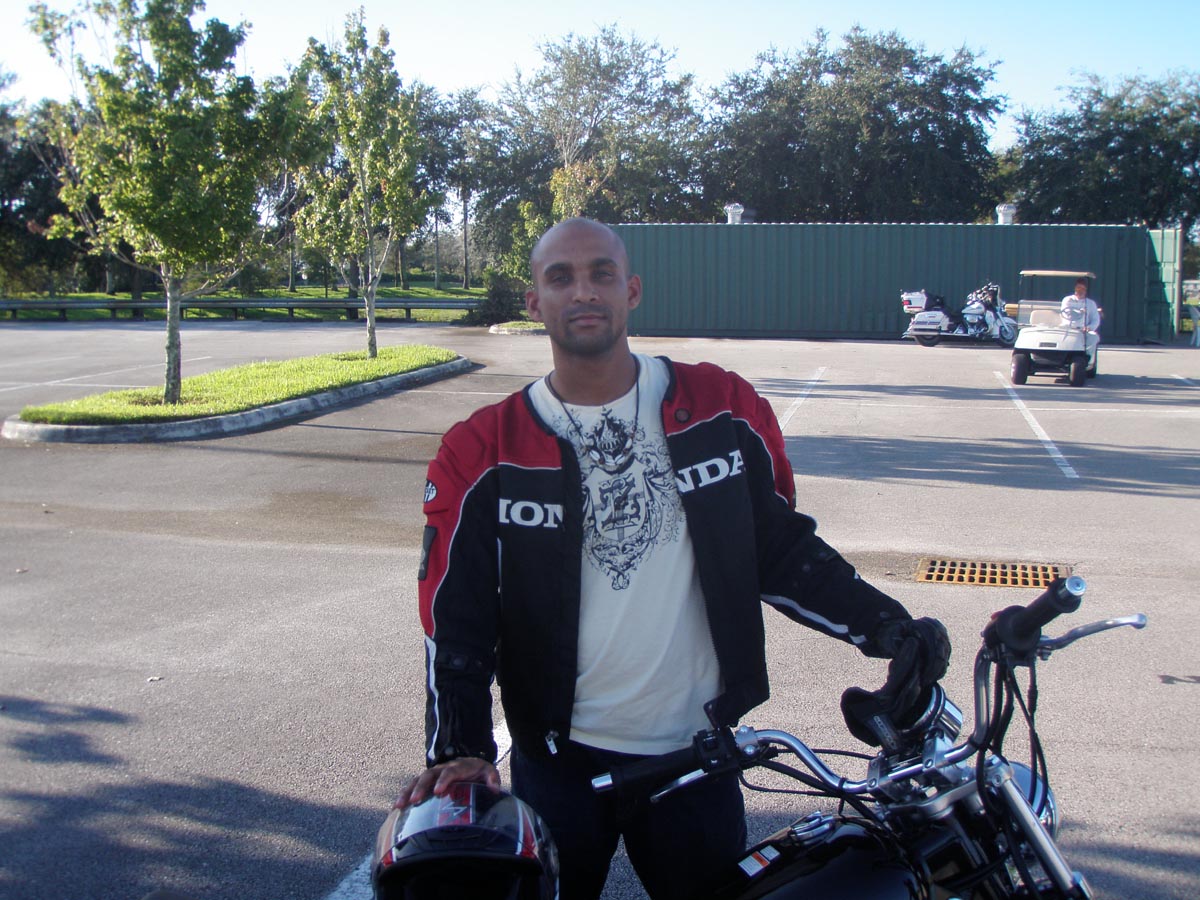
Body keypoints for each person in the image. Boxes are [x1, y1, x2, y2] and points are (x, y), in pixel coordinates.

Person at [396, 218, 950, 900]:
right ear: (535, 302)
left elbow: (777, 549)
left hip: (698, 756)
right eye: (561, 277)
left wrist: (886, 626)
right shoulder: (484, 448)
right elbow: (456, 612)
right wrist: (459, 748)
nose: (583, 291)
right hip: (557, 764)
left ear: (631, 291)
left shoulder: (723, 408)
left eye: (601, 274)